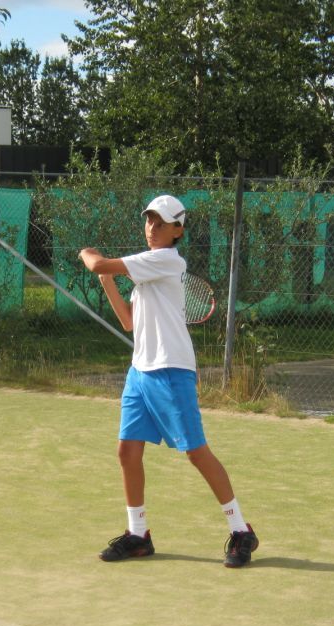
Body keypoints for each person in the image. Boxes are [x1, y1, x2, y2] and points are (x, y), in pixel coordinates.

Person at [78, 194, 259, 568]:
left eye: (161, 223)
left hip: (173, 371)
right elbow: (128, 321)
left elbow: (96, 262)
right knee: (127, 452)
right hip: (139, 373)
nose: (152, 228)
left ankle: (242, 531)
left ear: (178, 230)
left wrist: (88, 255)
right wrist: (108, 281)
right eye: (149, 220)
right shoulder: (146, 271)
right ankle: (138, 535)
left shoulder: (167, 260)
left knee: (196, 452)